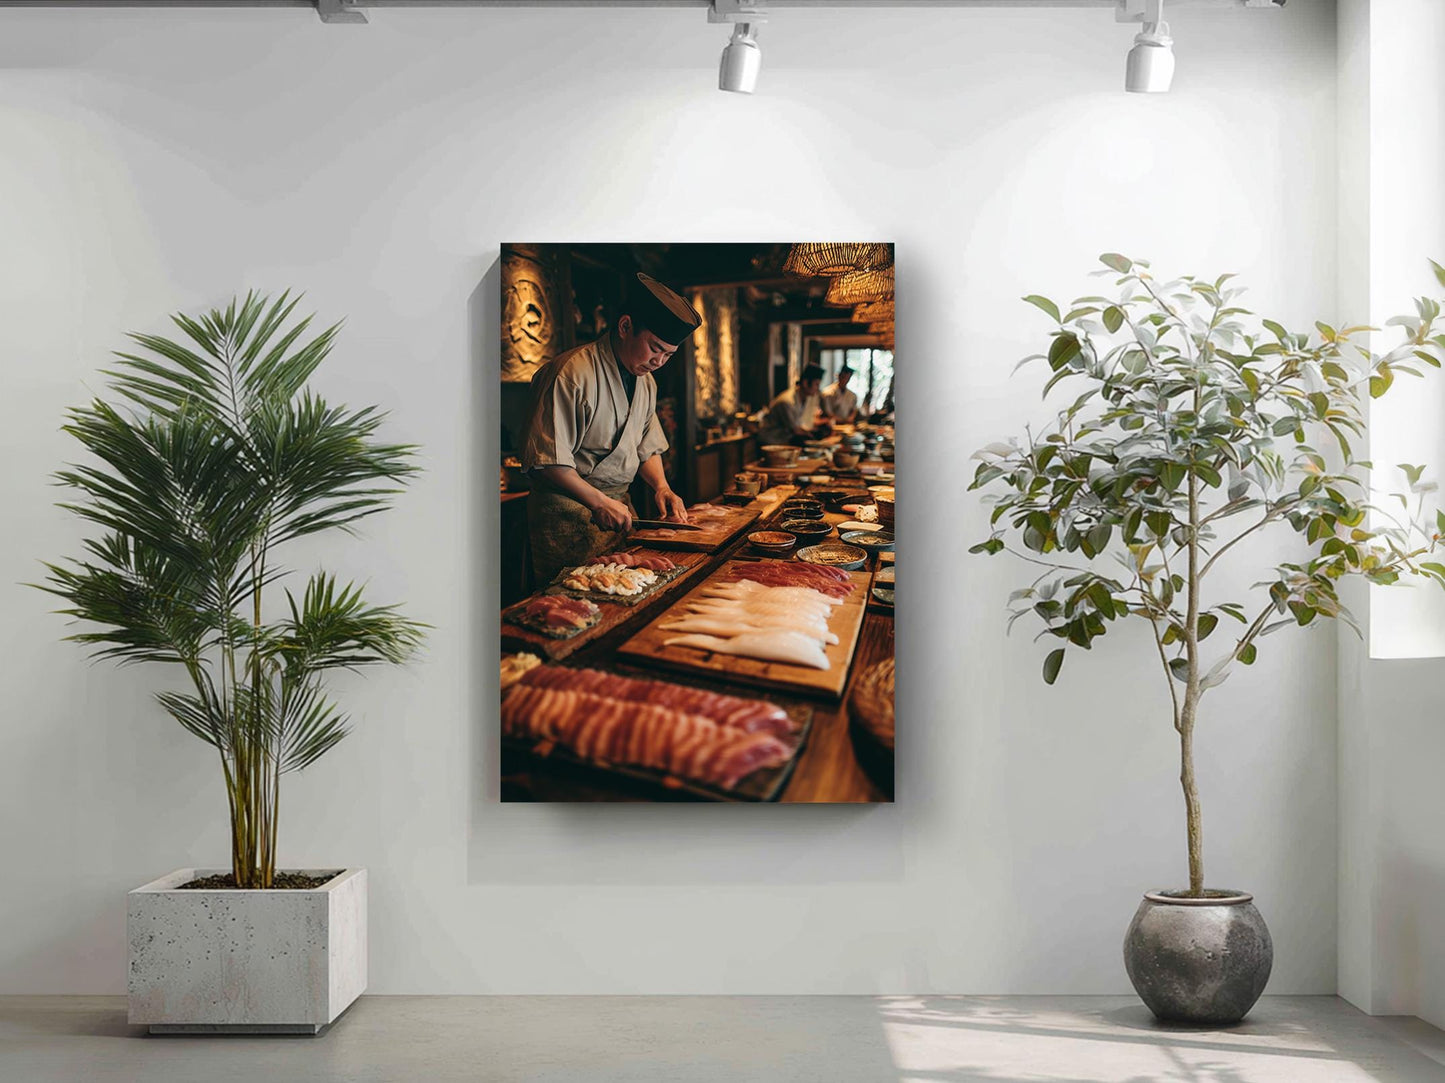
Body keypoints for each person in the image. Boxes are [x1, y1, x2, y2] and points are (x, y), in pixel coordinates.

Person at [520, 272, 701, 584]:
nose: (659, 361)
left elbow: (645, 445)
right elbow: (547, 461)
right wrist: (598, 501)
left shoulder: (646, 382)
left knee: (620, 593)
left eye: (668, 355)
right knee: (569, 605)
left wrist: (662, 487)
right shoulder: (571, 373)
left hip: (616, 514)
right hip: (564, 516)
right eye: (654, 348)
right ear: (625, 327)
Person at [759, 363, 829, 446]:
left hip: (783, 441)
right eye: (816, 384)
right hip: (770, 443)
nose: (817, 388)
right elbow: (795, 430)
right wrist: (816, 440)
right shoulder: (787, 401)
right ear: (805, 383)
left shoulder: (803, 398)